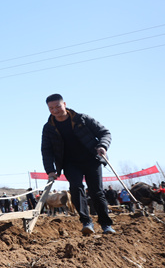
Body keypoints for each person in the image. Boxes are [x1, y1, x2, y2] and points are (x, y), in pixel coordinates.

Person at [41, 94, 115, 235]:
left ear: (64, 104)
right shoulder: (48, 128)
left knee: (96, 192)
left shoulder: (82, 119)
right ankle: (86, 222)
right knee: (75, 187)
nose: (55, 110)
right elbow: (46, 150)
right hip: (69, 163)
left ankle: (106, 224)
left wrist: (103, 146)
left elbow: (105, 132)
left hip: (92, 159)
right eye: (51, 108)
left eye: (58, 106)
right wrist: (50, 170)